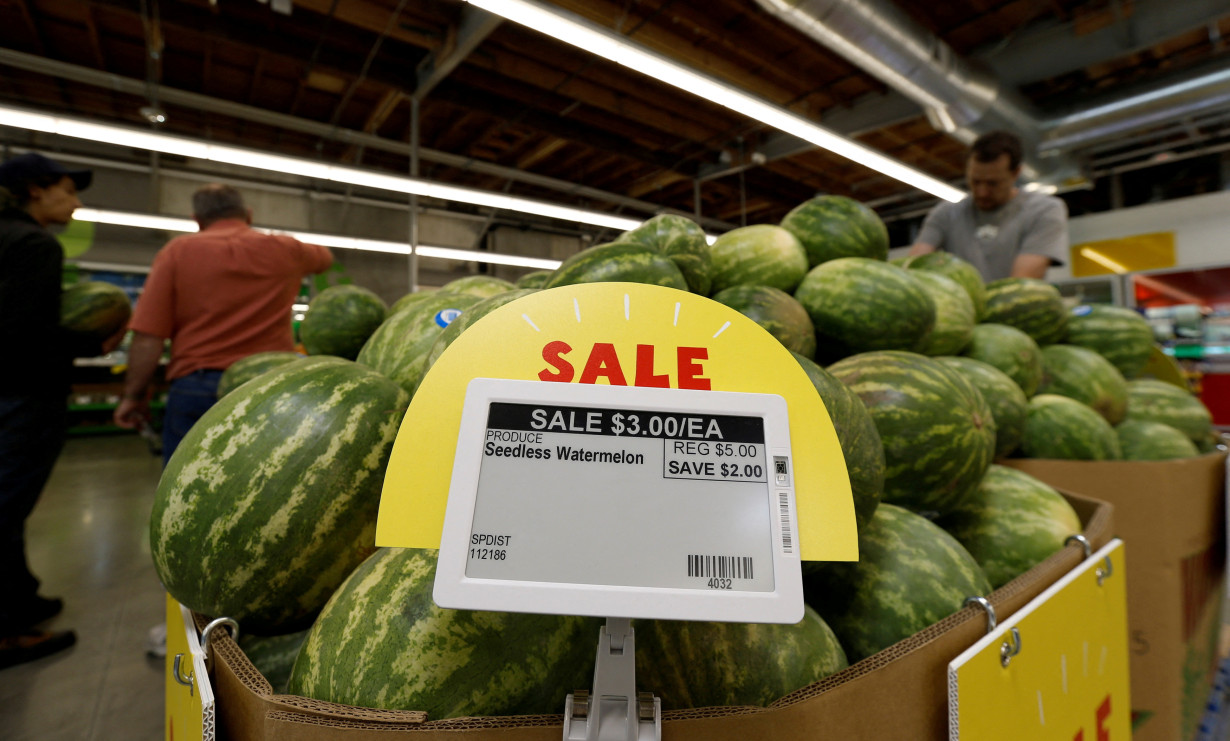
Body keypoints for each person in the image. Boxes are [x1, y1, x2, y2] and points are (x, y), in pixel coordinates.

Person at [0, 153, 124, 669]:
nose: (75, 202)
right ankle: (5, 632)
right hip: (22, 394)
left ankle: (21, 596)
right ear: (35, 191)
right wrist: (92, 342)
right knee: (6, 505)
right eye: (68, 190)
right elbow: (21, 337)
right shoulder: (34, 245)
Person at [113, 184, 333, 463]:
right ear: (248, 214)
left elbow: (148, 336)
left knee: (187, 483)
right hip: (272, 383)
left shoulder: (177, 252)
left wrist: (134, 395)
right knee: (269, 478)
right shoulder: (284, 248)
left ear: (197, 219)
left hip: (199, 384)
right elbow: (324, 258)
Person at [908, 130, 1068, 281]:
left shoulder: (1044, 210)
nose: (982, 192)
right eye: (975, 181)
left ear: (1016, 173)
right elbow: (913, 269)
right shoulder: (946, 213)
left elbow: (1021, 284)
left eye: (992, 184)